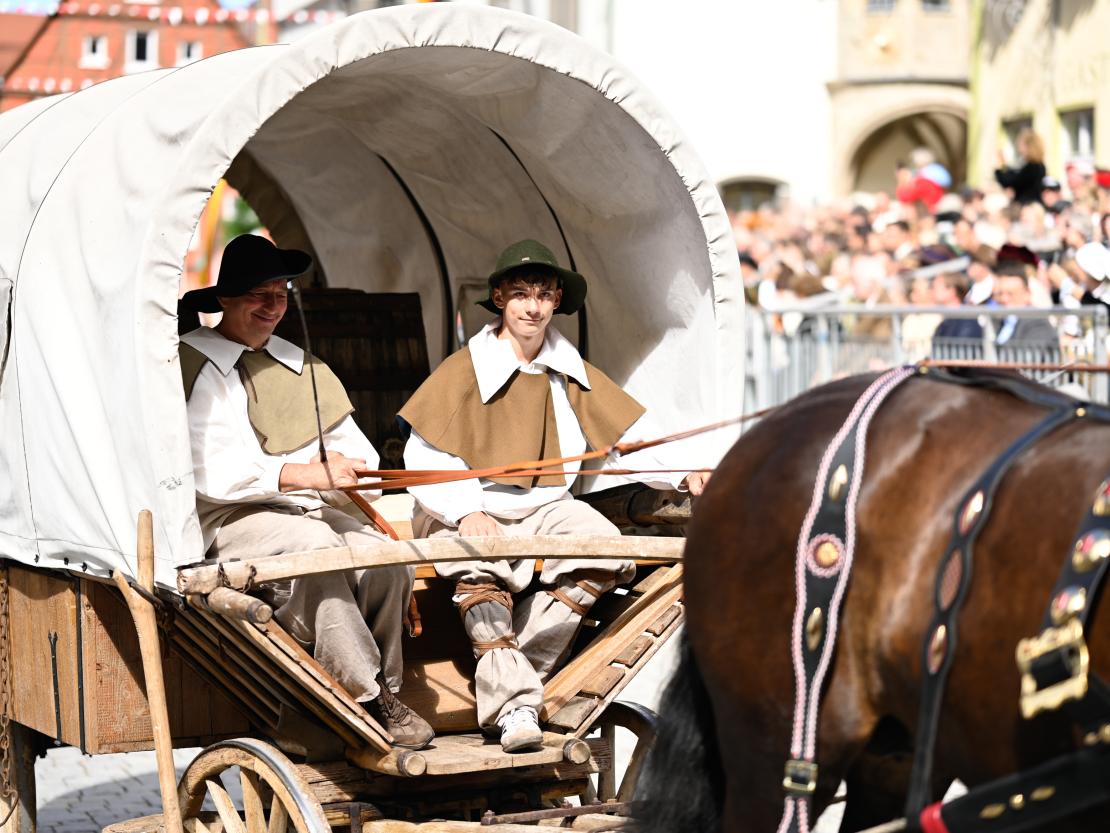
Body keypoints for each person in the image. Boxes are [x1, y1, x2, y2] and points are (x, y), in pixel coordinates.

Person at [399, 239, 708, 753]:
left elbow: (625, 443)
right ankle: (514, 704)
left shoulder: (570, 370)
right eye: (520, 293)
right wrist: (466, 509)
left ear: (557, 298)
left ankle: (519, 675)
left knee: (606, 551)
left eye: (543, 294)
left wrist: (684, 474)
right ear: (499, 298)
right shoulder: (463, 369)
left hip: (545, 506)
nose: (533, 306)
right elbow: (426, 457)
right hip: (465, 502)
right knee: (479, 569)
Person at [178, 234, 434, 749]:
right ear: (225, 299)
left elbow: (342, 452)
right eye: (259, 295)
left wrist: (351, 475)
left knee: (386, 557)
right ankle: (364, 700)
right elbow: (209, 471)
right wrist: (303, 475)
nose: (273, 307)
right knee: (314, 554)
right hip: (229, 520)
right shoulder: (193, 362)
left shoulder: (300, 364)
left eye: (280, 294)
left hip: (305, 510)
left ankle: (382, 689)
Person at [994, 129, 1047, 205]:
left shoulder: (1032, 167)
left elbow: (1011, 181)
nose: (1019, 148)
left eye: (1021, 145)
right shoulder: (1037, 166)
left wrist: (999, 169)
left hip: (1027, 205)